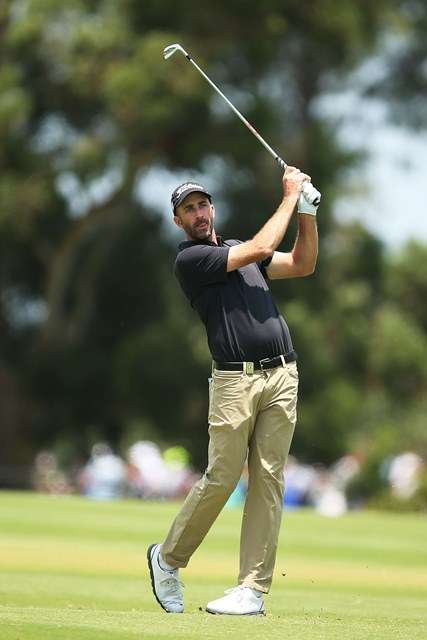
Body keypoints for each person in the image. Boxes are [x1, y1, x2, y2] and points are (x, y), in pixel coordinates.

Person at [147, 166, 319, 615]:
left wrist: (307, 213)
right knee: (222, 477)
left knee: (268, 481)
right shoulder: (191, 260)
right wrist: (288, 194)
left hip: (283, 375)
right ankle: (167, 559)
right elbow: (263, 246)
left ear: (212, 207)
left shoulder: (238, 248)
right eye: (189, 209)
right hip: (234, 381)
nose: (199, 213)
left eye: (203, 204)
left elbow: (302, 264)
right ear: (178, 221)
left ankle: (252, 590)